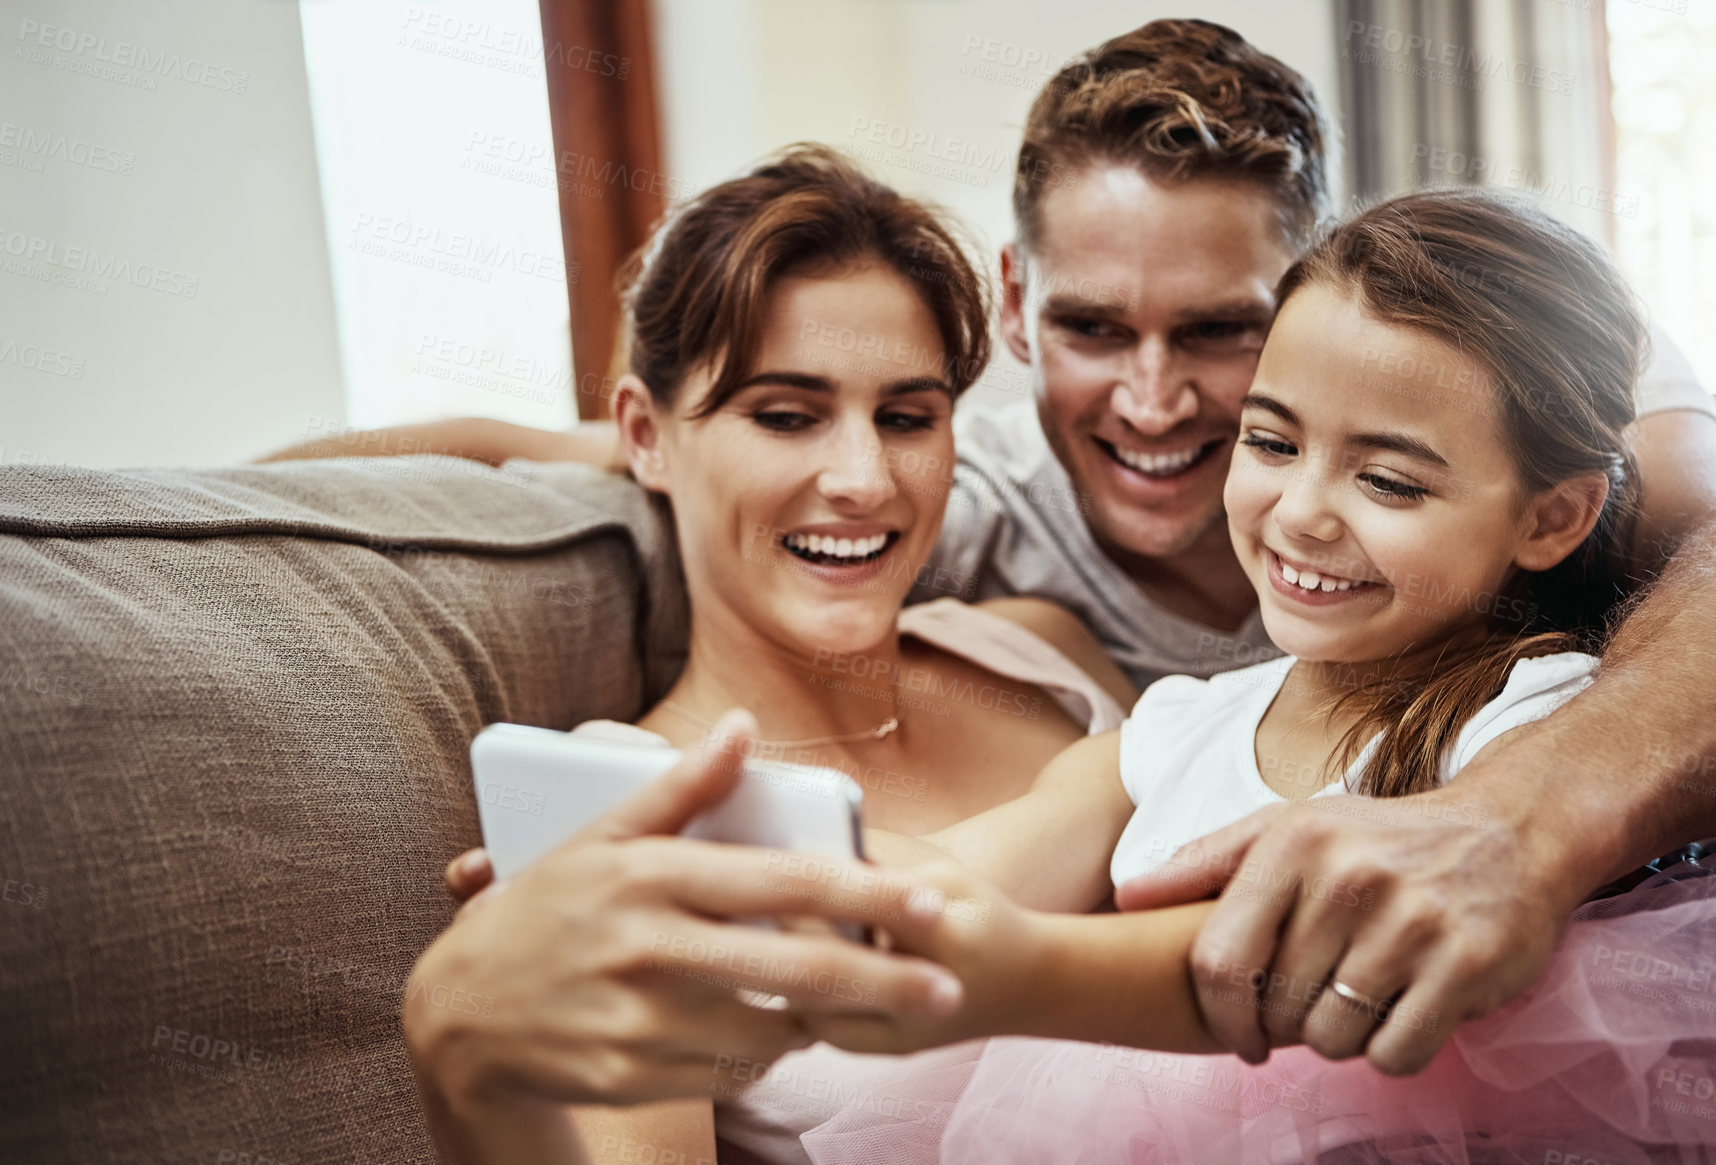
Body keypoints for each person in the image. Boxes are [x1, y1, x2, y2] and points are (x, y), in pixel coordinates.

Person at [300, 19, 1716, 1078]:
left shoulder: (1550, 548)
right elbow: (962, 872)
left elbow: (1234, 952)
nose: (1157, 406)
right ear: (1021, 304)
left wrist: (1004, 972)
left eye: (1218, 333)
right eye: (1097, 328)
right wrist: (699, 904)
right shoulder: (955, 511)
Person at [788, 189, 1716, 1161]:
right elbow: (960, 871)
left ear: (1553, 517)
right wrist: (753, 870)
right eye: (1272, 442)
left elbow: (1307, 965)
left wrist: (1023, 967)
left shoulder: (1527, 730)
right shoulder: (1181, 725)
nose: (1302, 512)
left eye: (1389, 480)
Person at [404, 144, 1158, 1165]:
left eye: (905, 416)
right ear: (646, 433)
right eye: (785, 416)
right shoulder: (627, 809)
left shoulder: (1039, 652)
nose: (862, 478)